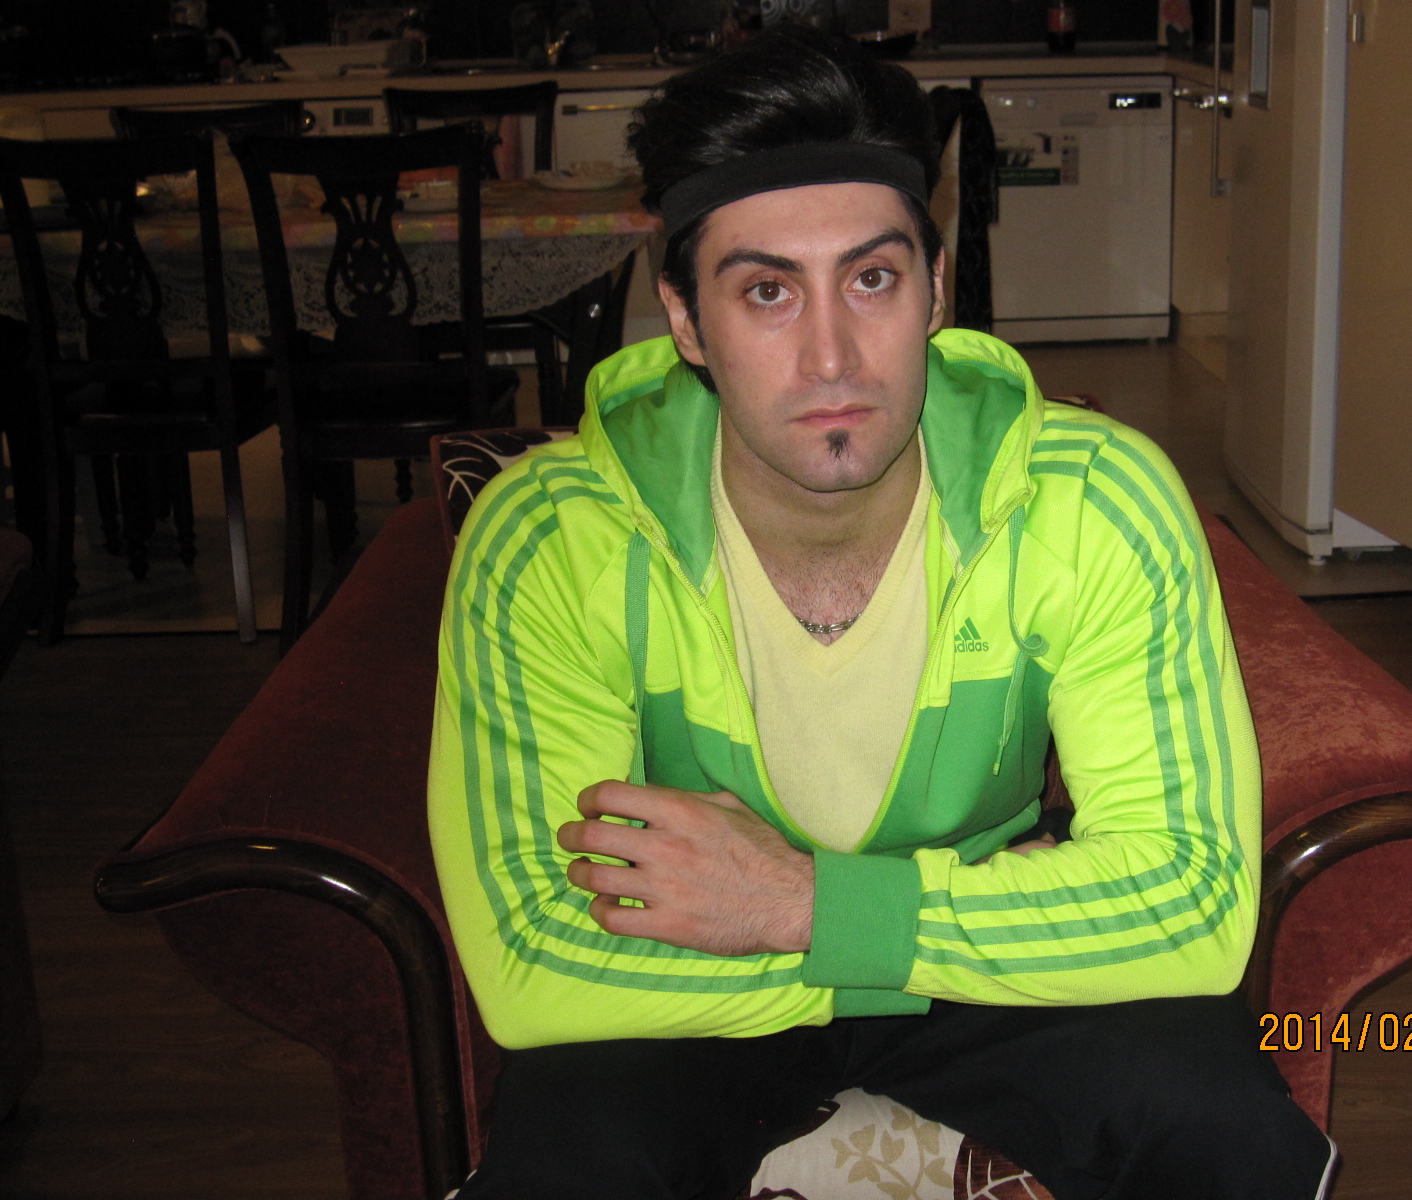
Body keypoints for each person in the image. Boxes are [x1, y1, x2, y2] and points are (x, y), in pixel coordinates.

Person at [428, 26, 1334, 1200]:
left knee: (1231, 1134)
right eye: (766, 292)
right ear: (686, 322)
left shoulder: (1092, 499)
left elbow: (1193, 910)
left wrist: (804, 907)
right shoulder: (554, 538)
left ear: (936, 289)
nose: (831, 356)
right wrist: (872, 932)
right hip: (717, 968)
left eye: (872, 279)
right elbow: (534, 964)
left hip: (939, 937)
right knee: (572, 1169)